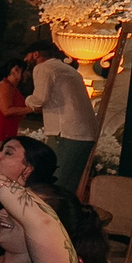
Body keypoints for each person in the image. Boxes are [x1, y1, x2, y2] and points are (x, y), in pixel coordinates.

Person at [25, 44, 99, 192]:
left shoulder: (44, 68)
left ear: (35, 54)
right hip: (85, 133)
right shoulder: (69, 69)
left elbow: (40, 99)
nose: (25, 60)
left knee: (53, 182)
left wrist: (28, 101)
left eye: (27, 56)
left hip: (66, 132)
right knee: (69, 185)